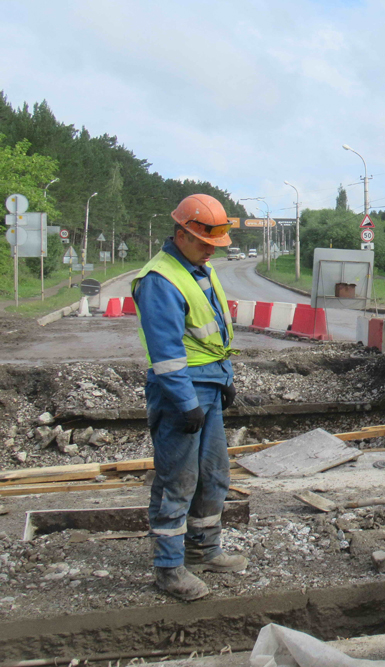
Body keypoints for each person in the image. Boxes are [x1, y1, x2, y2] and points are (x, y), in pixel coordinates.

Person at [132, 194, 247, 602]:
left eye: (216, 244)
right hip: (180, 391)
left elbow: (211, 333)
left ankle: (203, 550)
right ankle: (168, 568)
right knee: (177, 480)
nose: (211, 251)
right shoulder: (160, 279)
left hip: (209, 385)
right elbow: (165, 354)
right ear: (181, 234)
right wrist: (185, 403)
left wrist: (225, 377)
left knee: (214, 475)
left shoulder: (200, 268)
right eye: (204, 243)